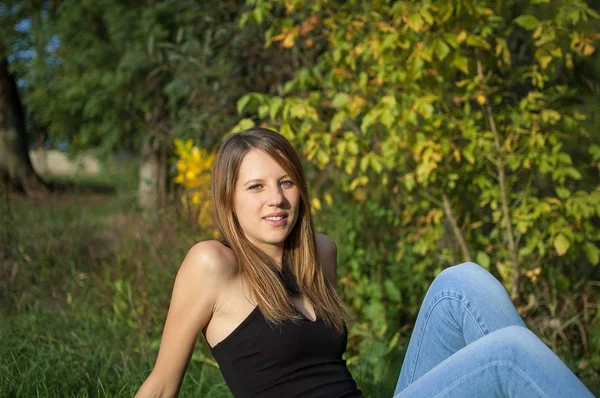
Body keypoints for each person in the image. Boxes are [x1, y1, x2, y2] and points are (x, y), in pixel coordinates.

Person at [136, 127, 593, 398]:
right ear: (228, 199)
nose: (276, 199)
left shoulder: (319, 255)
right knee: (510, 352)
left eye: (286, 182)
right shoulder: (213, 264)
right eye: (255, 187)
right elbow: (160, 386)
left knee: (463, 281)